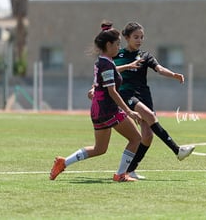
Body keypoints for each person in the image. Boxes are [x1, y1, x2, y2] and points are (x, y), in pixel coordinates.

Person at [50, 21, 143, 182]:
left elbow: (107, 74)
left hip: (98, 109)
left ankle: (63, 162)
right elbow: (112, 91)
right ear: (108, 44)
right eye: (117, 44)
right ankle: (121, 175)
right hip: (108, 109)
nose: (118, 47)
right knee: (136, 139)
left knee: (99, 149)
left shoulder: (103, 61)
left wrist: (128, 66)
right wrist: (129, 111)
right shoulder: (107, 64)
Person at [113, 21, 195, 179]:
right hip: (126, 94)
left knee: (147, 136)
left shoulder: (145, 56)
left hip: (144, 95)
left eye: (142, 37)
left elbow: (159, 68)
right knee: (149, 115)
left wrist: (174, 75)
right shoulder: (117, 55)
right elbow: (106, 70)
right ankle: (177, 150)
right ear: (127, 37)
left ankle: (129, 170)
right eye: (136, 37)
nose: (139, 40)